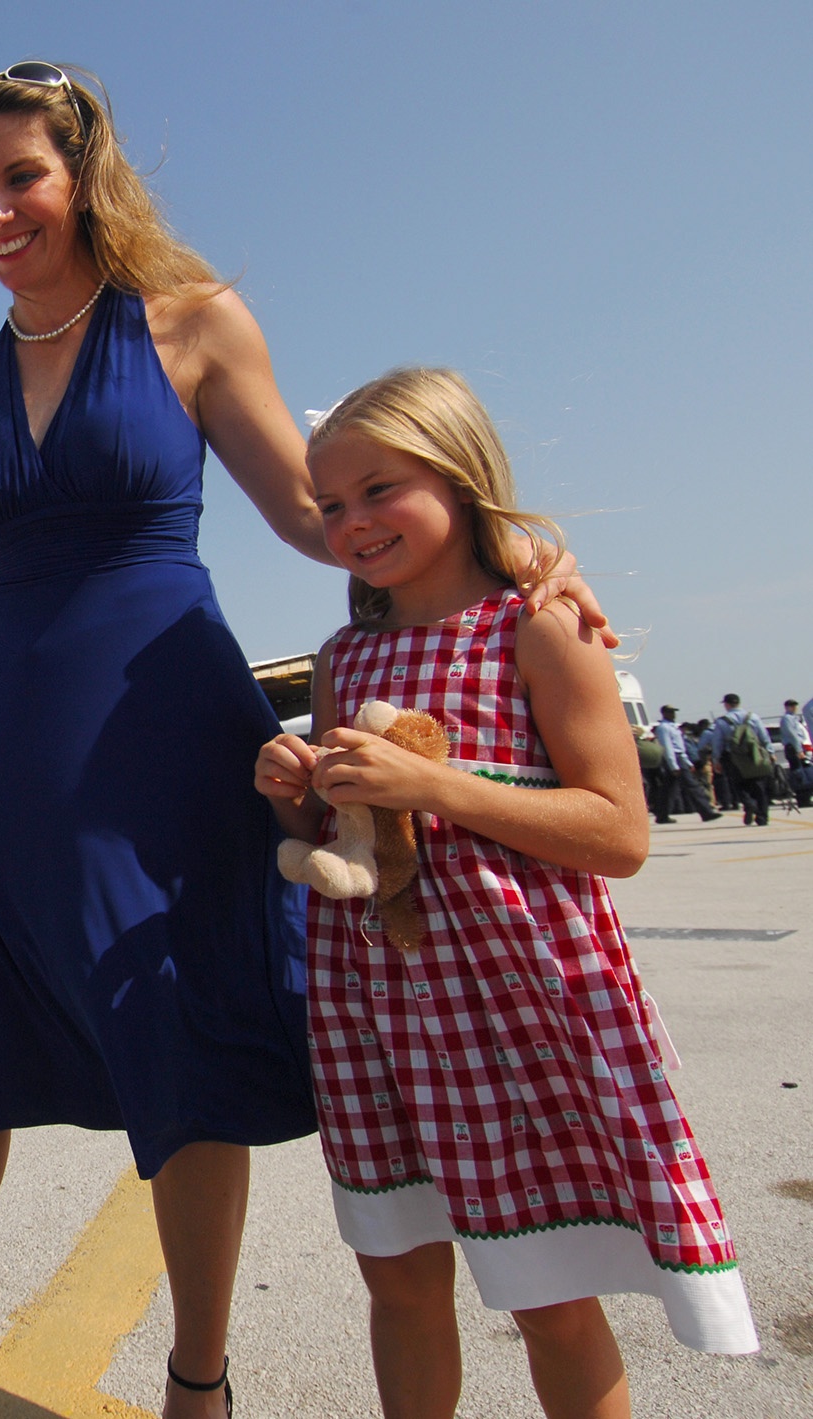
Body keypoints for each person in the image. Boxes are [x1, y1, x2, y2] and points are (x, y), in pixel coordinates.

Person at [0, 64, 611, 1419]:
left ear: (82, 173)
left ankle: (198, 1376)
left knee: (182, 1051)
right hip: (6, 759)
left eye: (17, 178)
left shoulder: (192, 325)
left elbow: (317, 513)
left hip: (170, 738)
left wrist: (513, 547)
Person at [256, 367, 755, 1419]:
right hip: (377, 1004)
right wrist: (299, 793)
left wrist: (433, 784)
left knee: (555, 1294)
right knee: (395, 1276)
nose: (352, 523)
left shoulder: (537, 628)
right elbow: (356, 834)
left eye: (379, 490)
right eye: (331, 505)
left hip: (517, 1002)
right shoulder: (346, 657)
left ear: (458, 474)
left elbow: (618, 833)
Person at [701, 694, 775, 826]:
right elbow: (764, 736)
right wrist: (770, 752)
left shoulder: (722, 721)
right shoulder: (753, 717)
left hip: (733, 757)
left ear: (727, 704)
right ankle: (762, 817)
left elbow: (717, 742)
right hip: (754, 755)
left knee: (739, 785)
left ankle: (749, 804)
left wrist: (716, 759)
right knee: (760, 787)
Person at [647, 705, 717, 823]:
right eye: (670, 712)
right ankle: (706, 812)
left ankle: (662, 815)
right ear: (664, 713)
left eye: (674, 712)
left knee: (669, 790)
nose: (673, 714)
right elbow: (667, 747)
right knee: (692, 786)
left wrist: (688, 762)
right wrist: (673, 765)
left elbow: (681, 748)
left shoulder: (674, 727)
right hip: (674, 759)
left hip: (679, 758)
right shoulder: (664, 728)